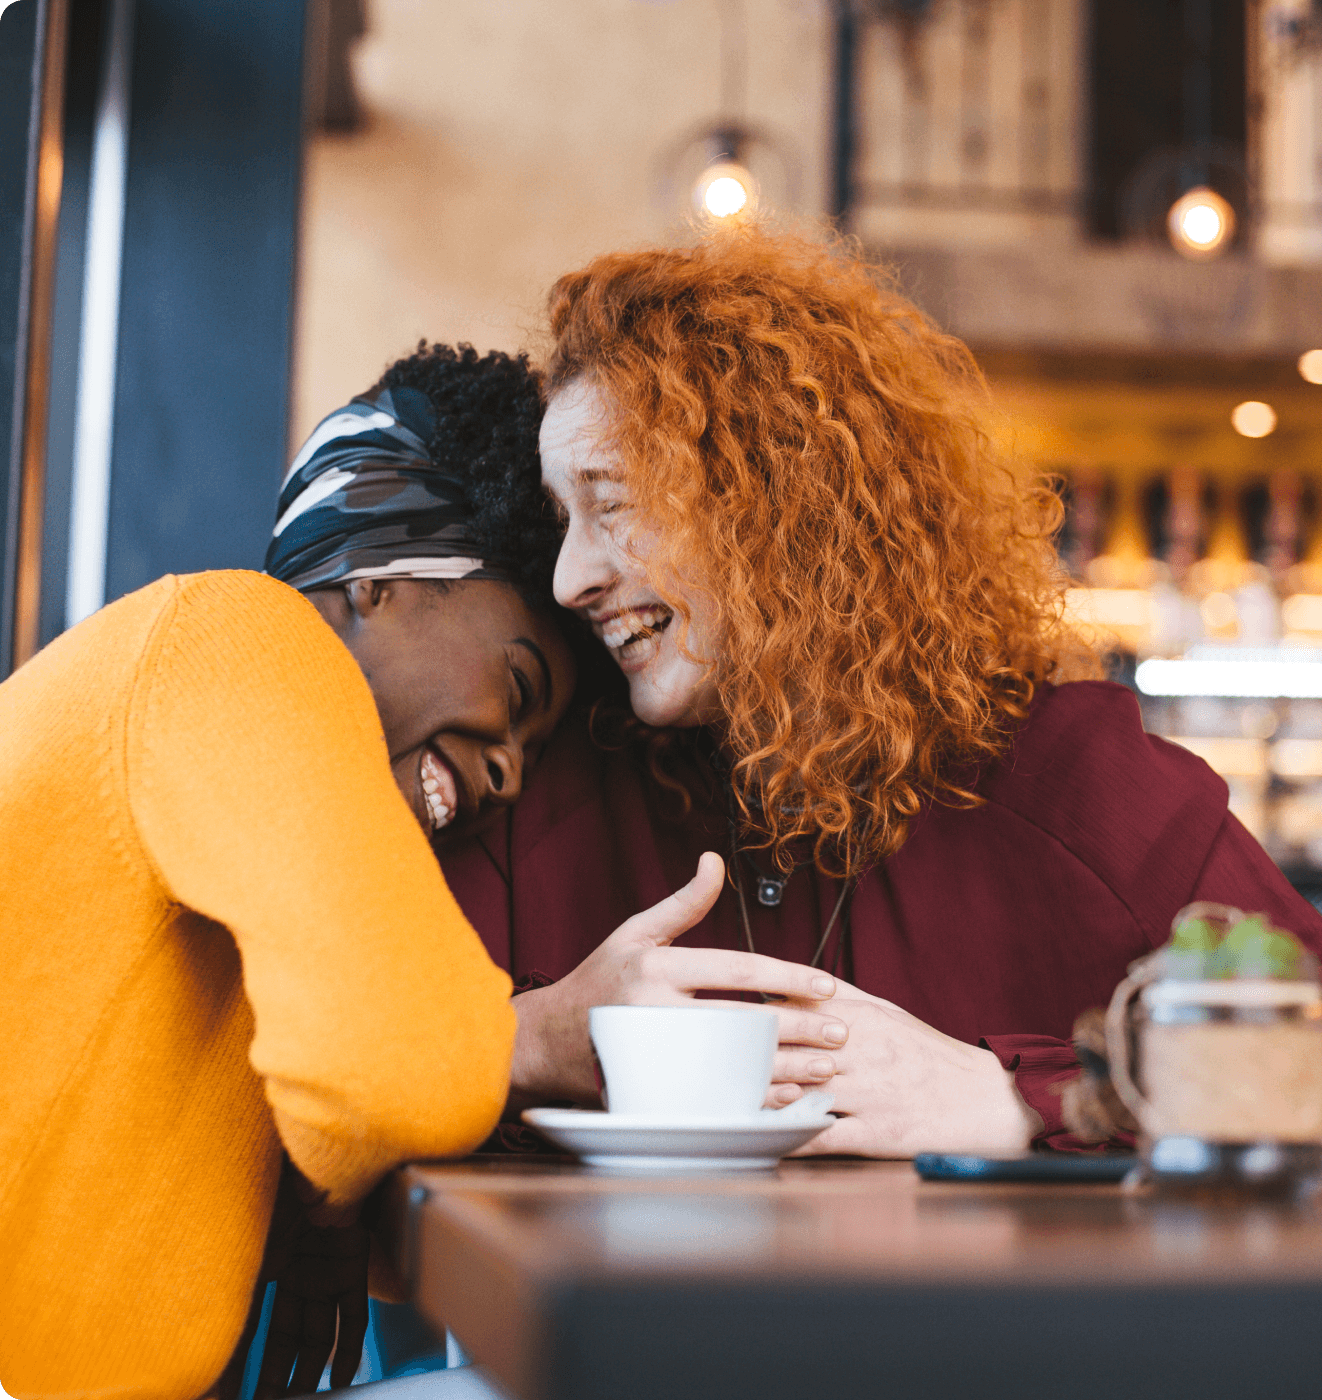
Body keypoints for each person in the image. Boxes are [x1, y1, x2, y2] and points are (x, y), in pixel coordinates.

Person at [441, 230, 1322, 1156]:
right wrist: (535, 1035)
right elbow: (331, 1078)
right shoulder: (552, 780)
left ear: (779, 506)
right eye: (561, 518)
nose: (571, 578)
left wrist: (1021, 1098)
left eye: (611, 506)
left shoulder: (1069, 780)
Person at [0, 344, 818, 1400]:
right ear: (380, 580)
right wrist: (550, 1032)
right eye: (518, 687)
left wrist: (323, 1198)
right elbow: (393, 1069)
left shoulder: (217, 721)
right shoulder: (235, 637)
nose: (509, 769)